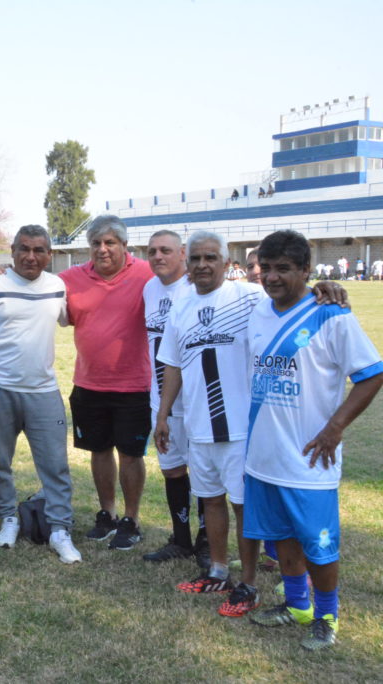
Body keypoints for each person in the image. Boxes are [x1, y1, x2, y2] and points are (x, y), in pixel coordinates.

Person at [245, 230, 382, 650]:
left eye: (283, 268)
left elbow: (371, 373)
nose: (271, 277)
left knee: (319, 548)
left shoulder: (330, 314)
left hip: (309, 459)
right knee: (281, 539)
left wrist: (334, 427)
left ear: (306, 270)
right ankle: (297, 604)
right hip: (263, 456)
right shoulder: (256, 310)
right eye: (265, 268)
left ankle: (327, 617)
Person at [0, 225, 81, 563]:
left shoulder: (57, 286)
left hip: (43, 390)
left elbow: (73, 319)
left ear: (49, 255)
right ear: (12, 249)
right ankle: (8, 518)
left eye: (39, 250)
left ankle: (60, 529)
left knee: (55, 466)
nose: (31, 256)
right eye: (24, 249)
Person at [155, 230, 263, 618]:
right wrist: (164, 414)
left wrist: (326, 290)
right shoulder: (181, 307)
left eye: (210, 258)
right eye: (196, 258)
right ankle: (218, 569)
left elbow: (292, 303)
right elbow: (172, 364)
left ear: (225, 260)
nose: (202, 265)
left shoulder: (249, 298)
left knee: (242, 504)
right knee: (211, 500)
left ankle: (248, 582)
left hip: (240, 427)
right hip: (198, 425)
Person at [60, 215, 152, 552]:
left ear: (125, 246)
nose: (103, 249)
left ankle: (131, 518)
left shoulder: (147, 273)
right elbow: (33, 286)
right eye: (96, 243)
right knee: (99, 451)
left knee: (130, 454)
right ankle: (107, 513)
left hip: (134, 384)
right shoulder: (70, 279)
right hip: (89, 384)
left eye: (110, 242)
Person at [141, 230, 208, 565]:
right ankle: (181, 539)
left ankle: (207, 541)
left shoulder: (199, 286)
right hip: (162, 403)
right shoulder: (149, 288)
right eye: (152, 251)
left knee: (204, 474)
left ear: (182, 253)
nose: (158, 256)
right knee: (172, 470)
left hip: (199, 401)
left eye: (165, 250)